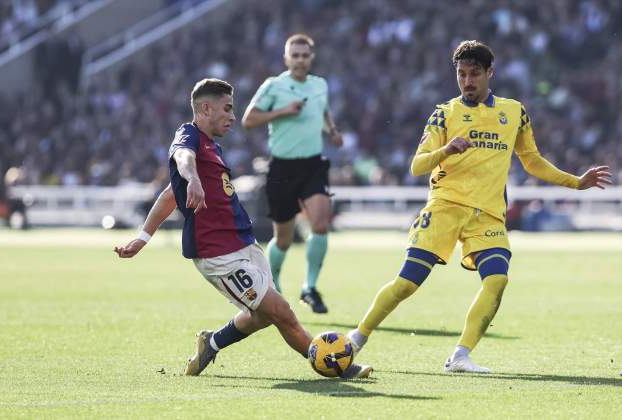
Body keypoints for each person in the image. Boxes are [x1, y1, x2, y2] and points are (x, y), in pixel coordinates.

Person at [346, 40, 612, 373]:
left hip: (486, 214)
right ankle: (357, 337)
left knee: (497, 280)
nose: (467, 81)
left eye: (474, 74)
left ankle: (460, 355)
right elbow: (417, 165)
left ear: (490, 73)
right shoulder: (444, 113)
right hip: (445, 206)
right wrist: (446, 151)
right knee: (407, 284)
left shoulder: (514, 112)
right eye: (461, 74)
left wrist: (576, 181)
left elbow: (532, 161)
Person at [114, 78, 371, 378]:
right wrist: (193, 178)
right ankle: (336, 365)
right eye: (227, 108)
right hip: (218, 254)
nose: (233, 116)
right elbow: (183, 158)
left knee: (262, 316)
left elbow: (170, 195)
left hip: (244, 244)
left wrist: (143, 237)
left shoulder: (212, 147)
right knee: (282, 313)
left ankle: (212, 342)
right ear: (205, 108)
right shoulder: (188, 136)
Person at [242, 33, 343, 314]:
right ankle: (273, 287)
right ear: (286, 59)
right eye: (294, 55)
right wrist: (284, 111)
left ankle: (310, 288)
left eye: (304, 55)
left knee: (320, 224)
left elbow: (323, 113)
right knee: (284, 239)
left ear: (311, 58)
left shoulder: (320, 85)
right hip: (282, 167)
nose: (300, 60)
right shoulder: (274, 86)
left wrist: (332, 131)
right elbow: (248, 120)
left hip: (313, 165)